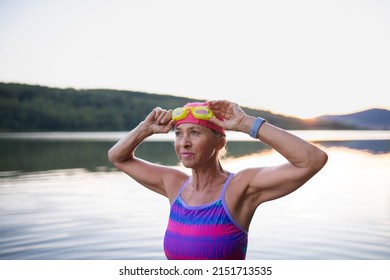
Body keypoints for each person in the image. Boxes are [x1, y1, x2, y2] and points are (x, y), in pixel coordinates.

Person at [108, 100, 328, 260]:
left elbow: (312, 160)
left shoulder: (241, 187)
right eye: (178, 134)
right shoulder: (174, 184)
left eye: (194, 133)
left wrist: (247, 124)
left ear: (219, 142)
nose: (183, 143)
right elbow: (117, 157)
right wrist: (144, 129)